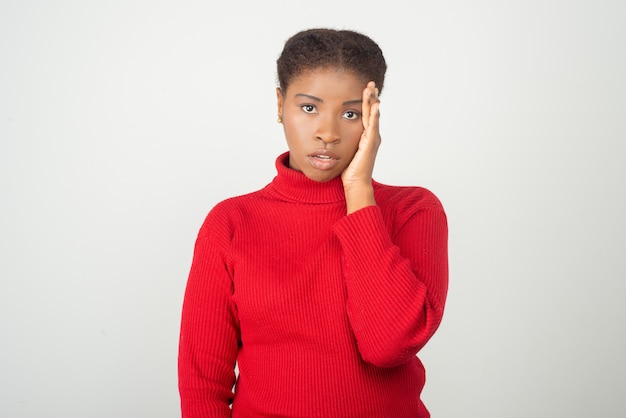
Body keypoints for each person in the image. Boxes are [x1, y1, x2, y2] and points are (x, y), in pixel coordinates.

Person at [178, 28, 449, 417]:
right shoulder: (232, 223)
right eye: (309, 108)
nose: (328, 133)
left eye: (351, 113)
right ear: (279, 104)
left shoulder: (413, 211)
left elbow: (387, 345)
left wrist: (358, 191)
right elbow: (203, 384)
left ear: (373, 117)